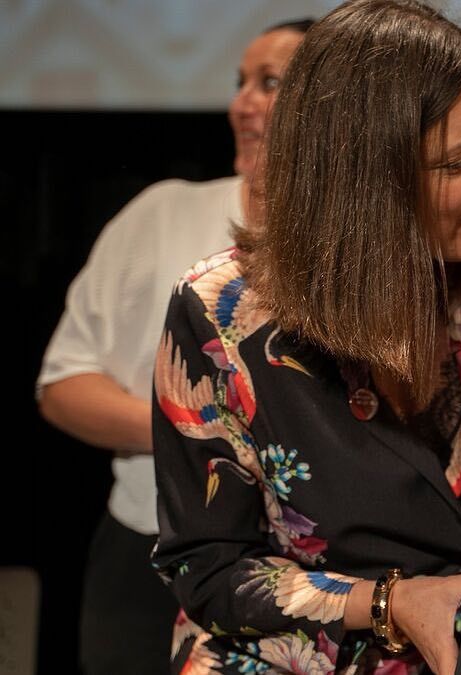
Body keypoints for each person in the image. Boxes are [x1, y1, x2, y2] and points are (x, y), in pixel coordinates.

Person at [151, 1, 461, 673]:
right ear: (366, 177)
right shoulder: (219, 314)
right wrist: (388, 603)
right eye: (459, 160)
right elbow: (208, 567)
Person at [35, 18, 312, 674]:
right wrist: (196, 438)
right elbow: (63, 382)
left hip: (298, 568)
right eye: (240, 82)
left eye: (269, 83)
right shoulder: (161, 213)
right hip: (143, 552)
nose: (242, 102)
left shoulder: (357, 249)